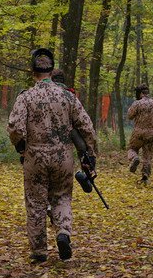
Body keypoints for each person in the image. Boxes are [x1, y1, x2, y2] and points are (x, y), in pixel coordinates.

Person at [7, 48, 97, 263]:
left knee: (36, 202)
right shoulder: (67, 96)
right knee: (62, 197)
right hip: (63, 156)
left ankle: (39, 251)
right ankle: (63, 232)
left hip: (35, 157)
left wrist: (21, 147)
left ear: (33, 70)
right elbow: (86, 126)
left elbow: (14, 128)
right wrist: (90, 154)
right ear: (50, 69)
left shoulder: (26, 97)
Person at [127, 83, 153, 184]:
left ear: (140, 93)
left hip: (138, 132)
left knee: (132, 148)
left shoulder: (137, 103)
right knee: (148, 155)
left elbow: (130, 116)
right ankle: (145, 176)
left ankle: (134, 158)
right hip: (151, 133)